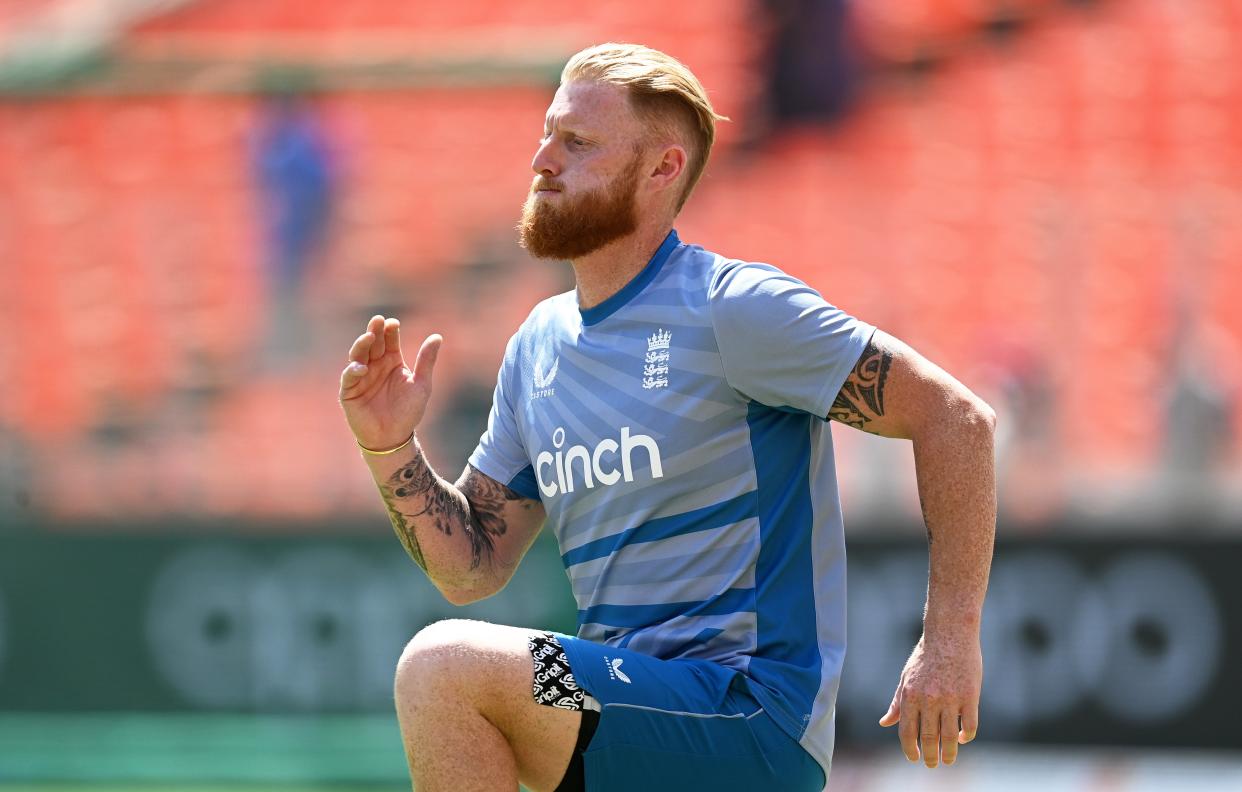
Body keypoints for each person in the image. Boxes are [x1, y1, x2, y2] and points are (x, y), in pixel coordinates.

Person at [338, 43, 995, 792]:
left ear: (662, 169)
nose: (542, 160)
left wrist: (949, 640)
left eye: (577, 143)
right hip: (628, 704)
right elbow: (472, 566)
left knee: (443, 668)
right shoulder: (537, 346)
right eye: (548, 133)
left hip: (747, 714)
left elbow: (956, 418)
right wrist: (391, 449)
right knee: (455, 673)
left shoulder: (732, 307)